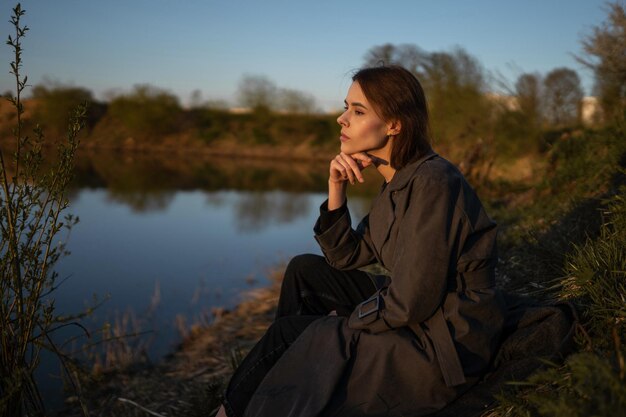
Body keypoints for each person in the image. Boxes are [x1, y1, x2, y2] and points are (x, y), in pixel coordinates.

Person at [214, 65, 507, 417]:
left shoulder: (433, 182)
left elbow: (411, 301)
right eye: (346, 107)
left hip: (445, 342)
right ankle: (296, 378)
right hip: (424, 313)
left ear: (394, 125)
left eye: (357, 111)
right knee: (304, 271)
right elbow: (346, 256)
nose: (342, 119)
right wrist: (336, 188)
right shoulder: (398, 183)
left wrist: (337, 326)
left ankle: (231, 409)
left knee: (290, 334)